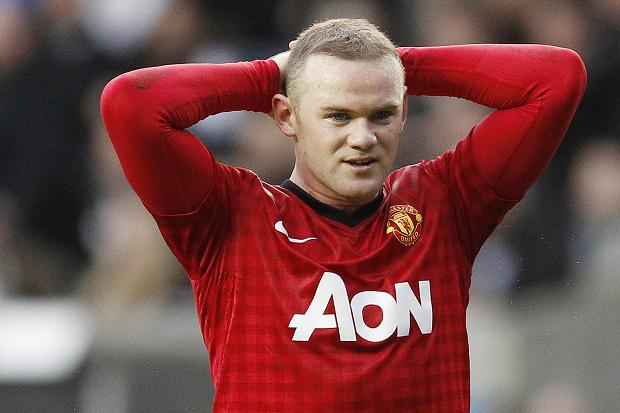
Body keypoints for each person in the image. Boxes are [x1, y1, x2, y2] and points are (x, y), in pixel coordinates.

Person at [100, 18, 586, 413]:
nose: (363, 138)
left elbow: (558, 78)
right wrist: (270, 74)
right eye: (338, 115)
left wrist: (393, 65)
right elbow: (131, 103)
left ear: (403, 113)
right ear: (286, 117)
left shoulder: (445, 202)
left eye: (381, 114)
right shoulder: (228, 217)